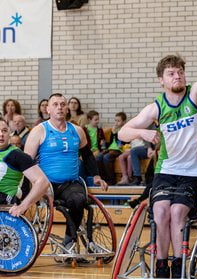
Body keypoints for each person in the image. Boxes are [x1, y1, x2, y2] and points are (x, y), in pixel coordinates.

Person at [118, 31, 197, 279]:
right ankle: (161, 266)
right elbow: (123, 133)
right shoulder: (156, 107)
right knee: (160, 212)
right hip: (167, 170)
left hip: (195, 171)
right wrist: (143, 133)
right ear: (161, 80)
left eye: (180, 71)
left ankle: (179, 266)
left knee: (178, 211)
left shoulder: (195, 95)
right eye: (171, 73)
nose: (177, 75)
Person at [24, 93, 108, 250]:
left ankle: (69, 238)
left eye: (62, 104)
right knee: (74, 200)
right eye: (55, 104)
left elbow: (88, 155)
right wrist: (29, 187)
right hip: (46, 185)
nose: (59, 107)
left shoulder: (77, 130)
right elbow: (26, 162)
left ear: (67, 108)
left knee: (78, 199)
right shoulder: (39, 131)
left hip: (70, 183)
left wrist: (96, 176)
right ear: (48, 109)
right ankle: (71, 238)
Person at [0, 119, 49, 218]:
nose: (1, 134)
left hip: (6, 198)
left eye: (4, 130)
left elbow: (43, 182)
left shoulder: (17, 155)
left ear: (10, 133)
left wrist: (23, 206)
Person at [96, 112, 127, 185]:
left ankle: (111, 179)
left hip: (119, 150)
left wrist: (115, 133)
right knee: (99, 157)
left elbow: (121, 143)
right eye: (115, 120)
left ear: (124, 121)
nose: (116, 123)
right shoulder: (114, 129)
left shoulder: (124, 130)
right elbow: (111, 143)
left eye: (118, 121)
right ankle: (103, 178)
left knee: (106, 157)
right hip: (111, 149)